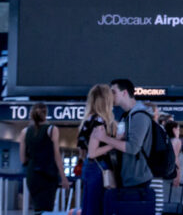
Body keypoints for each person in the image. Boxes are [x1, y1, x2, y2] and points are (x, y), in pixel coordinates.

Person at [93, 79, 155, 191]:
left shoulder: (139, 116)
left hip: (137, 180)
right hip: (128, 178)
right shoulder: (126, 116)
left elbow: (133, 148)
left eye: (113, 92)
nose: (110, 95)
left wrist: (104, 138)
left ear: (124, 93)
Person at [18, 102, 70, 214]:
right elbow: (56, 156)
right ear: (46, 114)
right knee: (47, 209)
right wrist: (63, 177)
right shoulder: (52, 129)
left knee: (37, 207)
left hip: (33, 175)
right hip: (48, 175)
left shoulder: (24, 132)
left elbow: (22, 159)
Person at [77, 84, 118, 215]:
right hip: (99, 170)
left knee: (89, 207)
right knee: (98, 208)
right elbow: (92, 153)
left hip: (89, 169)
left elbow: (83, 151)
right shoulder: (99, 123)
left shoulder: (87, 121)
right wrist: (115, 143)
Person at [164, 121, 183, 211]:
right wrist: (178, 174)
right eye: (178, 129)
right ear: (174, 129)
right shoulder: (176, 141)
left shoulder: (166, 139)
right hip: (172, 171)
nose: (179, 131)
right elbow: (175, 157)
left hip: (164, 170)